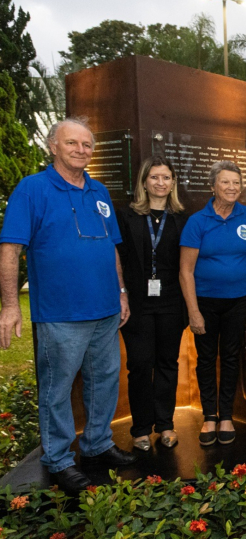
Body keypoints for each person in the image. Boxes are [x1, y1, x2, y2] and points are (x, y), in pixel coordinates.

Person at [0, 118, 136, 493]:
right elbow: (10, 249)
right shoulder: (32, 189)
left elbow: (111, 248)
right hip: (61, 314)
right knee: (57, 390)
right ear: (53, 146)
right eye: (72, 143)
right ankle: (58, 459)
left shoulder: (99, 191)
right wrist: (10, 305)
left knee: (104, 381)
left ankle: (97, 444)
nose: (81, 150)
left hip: (106, 311)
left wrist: (121, 291)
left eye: (87, 144)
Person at [179, 161, 246, 445]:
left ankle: (226, 415)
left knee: (230, 357)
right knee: (205, 359)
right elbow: (185, 270)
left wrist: (243, 290)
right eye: (225, 182)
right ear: (213, 186)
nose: (232, 187)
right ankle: (209, 416)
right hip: (204, 302)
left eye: (236, 182)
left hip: (237, 301)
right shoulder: (197, 221)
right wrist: (193, 312)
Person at [117, 156, 188, 451]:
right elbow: (118, 257)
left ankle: (166, 424)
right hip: (138, 303)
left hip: (172, 301)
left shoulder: (182, 218)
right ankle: (141, 428)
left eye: (166, 177)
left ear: (173, 183)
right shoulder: (127, 216)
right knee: (140, 365)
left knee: (168, 363)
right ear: (144, 182)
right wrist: (122, 292)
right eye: (155, 177)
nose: (161, 183)